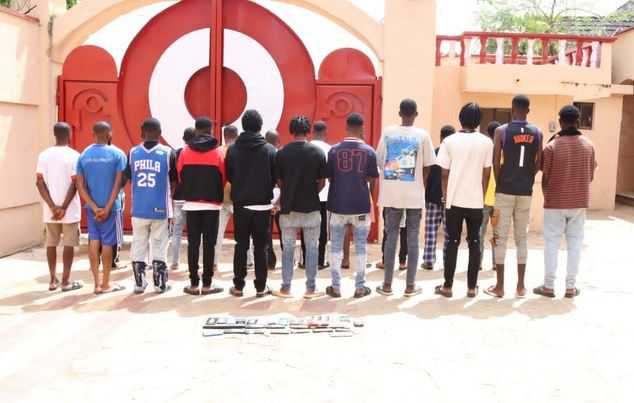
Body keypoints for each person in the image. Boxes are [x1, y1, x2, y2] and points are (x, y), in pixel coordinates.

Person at [534, 105, 597, 299]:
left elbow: (545, 176)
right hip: (579, 202)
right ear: (578, 122)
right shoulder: (589, 146)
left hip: (555, 201)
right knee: (575, 244)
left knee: (551, 243)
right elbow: (590, 176)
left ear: (560, 121)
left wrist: (548, 195)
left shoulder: (552, 146)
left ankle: (549, 286)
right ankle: (570, 287)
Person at [375, 99, 436, 297]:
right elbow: (428, 166)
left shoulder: (388, 133)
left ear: (399, 113)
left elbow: (379, 160)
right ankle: (410, 286)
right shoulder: (423, 135)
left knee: (391, 237)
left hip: (392, 194)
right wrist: (420, 184)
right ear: (416, 114)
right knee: (413, 238)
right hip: (414, 195)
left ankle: (387, 285)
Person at [486, 95, 543, 299]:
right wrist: (528, 177)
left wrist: (500, 180)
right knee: (522, 238)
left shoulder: (501, 131)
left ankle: (500, 287)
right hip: (525, 192)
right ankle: (520, 287)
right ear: (528, 110)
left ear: (512, 110)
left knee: (499, 238)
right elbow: (539, 162)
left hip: (504, 191)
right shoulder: (537, 132)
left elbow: (495, 161)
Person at [435, 103, 493, 299]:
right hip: (476, 200)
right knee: (475, 241)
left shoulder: (449, 141)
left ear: (460, 118)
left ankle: (448, 286)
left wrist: (445, 195)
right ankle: (471, 287)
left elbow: (444, 173)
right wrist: (482, 195)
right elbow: (487, 173)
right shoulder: (486, 142)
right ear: (479, 121)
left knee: (452, 241)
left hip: (453, 200)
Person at [325, 113, 379, 298]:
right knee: (361, 247)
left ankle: (336, 287)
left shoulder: (333, 151)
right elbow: (372, 179)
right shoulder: (369, 151)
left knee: (335, 247)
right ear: (362, 128)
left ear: (346, 127)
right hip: (360, 206)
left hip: (337, 205)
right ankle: (360, 288)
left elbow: (330, 178)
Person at [273, 116, 327, 299]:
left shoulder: (282, 153)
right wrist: (311, 193)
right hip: (311, 207)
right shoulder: (317, 152)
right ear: (308, 131)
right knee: (312, 248)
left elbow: (279, 181)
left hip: (288, 208)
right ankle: (311, 289)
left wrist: (288, 192)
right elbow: (322, 182)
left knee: (288, 249)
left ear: (291, 131)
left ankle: (286, 288)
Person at [226, 110, 277, 298]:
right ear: (260, 126)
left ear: (243, 126)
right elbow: (275, 177)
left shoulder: (233, 149)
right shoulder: (270, 150)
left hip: (241, 205)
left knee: (241, 245)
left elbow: (230, 176)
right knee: (260, 247)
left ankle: (238, 286)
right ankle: (260, 287)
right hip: (262, 206)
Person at [76, 121, 127, 294]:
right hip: (111, 209)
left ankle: (96, 284)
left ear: (93, 134)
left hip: (92, 210)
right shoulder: (118, 154)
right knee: (107, 243)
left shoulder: (84, 155)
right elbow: (118, 184)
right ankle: (106, 284)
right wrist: (107, 207)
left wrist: (93, 206)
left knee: (93, 241)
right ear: (109, 134)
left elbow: (80, 185)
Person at [127, 118, 176, 294]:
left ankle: (139, 284)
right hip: (160, 208)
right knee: (159, 245)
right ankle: (160, 284)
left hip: (139, 208)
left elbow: (130, 178)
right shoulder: (168, 153)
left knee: (138, 244)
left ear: (142, 132)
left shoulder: (133, 153)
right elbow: (174, 182)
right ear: (160, 133)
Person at [177, 117, 225, 296]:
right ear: (211, 130)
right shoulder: (218, 152)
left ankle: (193, 283)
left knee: (193, 244)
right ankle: (207, 284)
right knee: (209, 245)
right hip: (212, 204)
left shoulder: (185, 152)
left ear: (196, 130)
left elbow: (180, 176)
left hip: (191, 204)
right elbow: (224, 177)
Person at [35, 122, 83, 292]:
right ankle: (65, 281)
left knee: (51, 244)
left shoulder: (44, 155)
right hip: (70, 210)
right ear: (69, 135)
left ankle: (52, 280)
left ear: (54, 135)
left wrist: (52, 207)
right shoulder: (75, 156)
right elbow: (75, 183)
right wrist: (63, 207)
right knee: (69, 244)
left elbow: (39, 182)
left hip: (50, 211)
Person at [421, 124, 455, 271]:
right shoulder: (455, 155)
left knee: (430, 231)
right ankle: (447, 261)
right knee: (449, 233)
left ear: (441, 137)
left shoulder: (433, 153)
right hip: (450, 199)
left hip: (432, 198)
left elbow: (426, 175)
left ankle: (429, 260)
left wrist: (424, 194)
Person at [300, 121, 330, 270]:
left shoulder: (304, 148)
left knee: (305, 228)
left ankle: (305, 261)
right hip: (325, 196)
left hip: (306, 195)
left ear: (312, 132)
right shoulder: (330, 149)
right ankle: (321, 260)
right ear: (325, 132)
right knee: (323, 230)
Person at [169, 127, 197, 270]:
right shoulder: (197, 152)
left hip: (179, 197)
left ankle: (175, 262)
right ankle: (193, 263)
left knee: (177, 231)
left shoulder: (176, 153)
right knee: (194, 232)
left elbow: (173, 178)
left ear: (183, 138)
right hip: (193, 198)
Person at [213, 125, 239, 271]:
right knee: (243, 233)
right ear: (237, 135)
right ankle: (248, 261)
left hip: (221, 197)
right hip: (238, 197)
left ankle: (214, 261)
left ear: (224, 136)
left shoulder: (217, 151)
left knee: (217, 233)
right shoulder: (241, 151)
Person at [479, 121, 500, 272]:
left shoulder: (484, 149)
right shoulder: (504, 150)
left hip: (484, 199)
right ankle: (496, 262)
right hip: (498, 199)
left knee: (479, 233)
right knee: (497, 233)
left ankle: (478, 262)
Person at [265, 129, 282, 270]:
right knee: (284, 231)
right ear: (278, 142)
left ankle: (269, 261)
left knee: (267, 232)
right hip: (280, 199)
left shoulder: (262, 155)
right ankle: (288, 259)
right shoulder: (281, 156)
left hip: (265, 198)